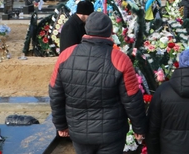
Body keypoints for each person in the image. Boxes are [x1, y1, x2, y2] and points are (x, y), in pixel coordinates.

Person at [49, 12, 147, 153]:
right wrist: (139, 128)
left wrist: (60, 125)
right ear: (109, 31)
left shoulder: (66, 55)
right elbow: (132, 99)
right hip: (111, 133)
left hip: (79, 131)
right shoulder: (120, 59)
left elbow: (56, 94)